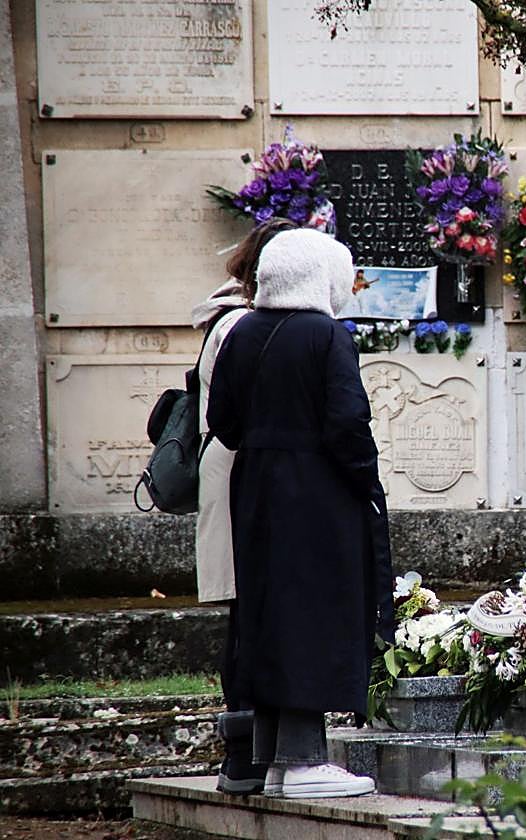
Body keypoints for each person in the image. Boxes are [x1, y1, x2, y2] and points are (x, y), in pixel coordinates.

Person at [207, 228, 393, 799]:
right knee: (315, 610)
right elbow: (346, 422)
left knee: (269, 611)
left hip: (256, 486)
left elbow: (225, 421)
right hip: (316, 490)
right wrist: (367, 479)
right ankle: (305, 761)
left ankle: (271, 758)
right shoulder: (327, 335)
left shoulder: (242, 332)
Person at [191, 217, 297, 795]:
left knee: (251, 612)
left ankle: (255, 750)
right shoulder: (239, 325)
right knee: (246, 615)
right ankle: (243, 752)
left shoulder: (237, 319)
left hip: (240, 469)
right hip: (237, 470)